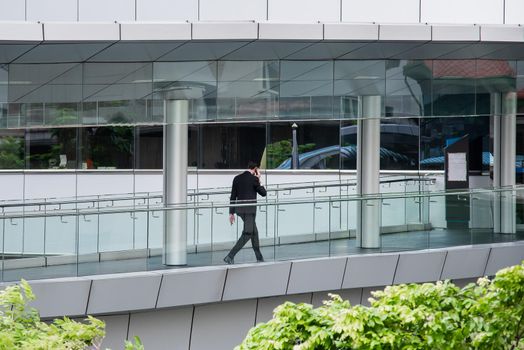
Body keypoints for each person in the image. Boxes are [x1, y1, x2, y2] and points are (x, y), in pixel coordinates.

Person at [223, 161, 267, 264]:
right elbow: (264, 193)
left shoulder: (237, 178)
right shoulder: (254, 179)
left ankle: (259, 257)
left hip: (240, 210)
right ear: (255, 168)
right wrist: (259, 179)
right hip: (250, 211)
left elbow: (233, 196)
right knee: (248, 233)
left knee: (254, 232)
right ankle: (230, 256)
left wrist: (231, 213)